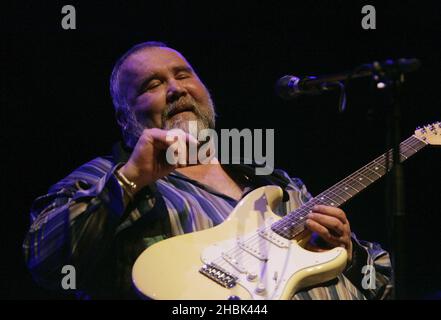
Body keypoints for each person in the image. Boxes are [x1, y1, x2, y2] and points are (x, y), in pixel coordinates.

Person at [23, 41, 392, 300]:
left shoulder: (280, 184)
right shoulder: (102, 177)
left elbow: (386, 284)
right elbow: (47, 262)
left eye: (183, 75)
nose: (174, 89)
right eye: (152, 84)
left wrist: (351, 255)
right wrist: (129, 179)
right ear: (124, 119)